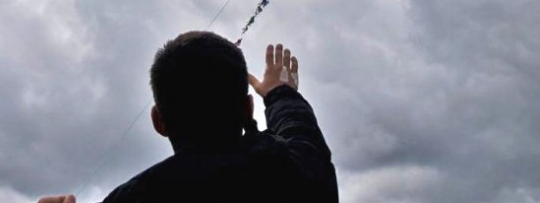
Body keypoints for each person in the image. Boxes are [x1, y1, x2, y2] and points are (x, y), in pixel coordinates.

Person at [38, 31, 338, 202]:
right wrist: (280, 93)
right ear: (248, 109)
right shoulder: (300, 171)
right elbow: (300, 131)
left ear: (159, 122)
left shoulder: (132, 200)